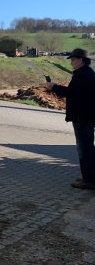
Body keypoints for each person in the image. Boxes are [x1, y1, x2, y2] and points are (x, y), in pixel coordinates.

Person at [45, 48, 95, 189]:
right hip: (86, 117)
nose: (71, 62)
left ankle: (89, 180)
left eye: (73, 60)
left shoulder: (82, 75)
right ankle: (89, 177)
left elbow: (71, 93)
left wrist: (53, 87)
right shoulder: (87, 73)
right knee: (88, 148)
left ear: (81, 60)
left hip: (82, 118)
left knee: (84, 149)